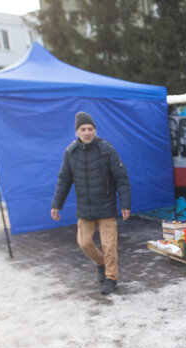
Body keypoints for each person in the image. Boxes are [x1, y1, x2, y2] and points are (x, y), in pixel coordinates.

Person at [51, 111, 131, 295]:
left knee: (109, 245)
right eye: (83, 129)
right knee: (84, 243)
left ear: (95, 130)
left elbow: (122, 178)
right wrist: (57, 205)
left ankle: (111, 278)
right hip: (85, 209)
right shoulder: (71, 153)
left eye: (90, 129)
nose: (87, 132)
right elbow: (64, 180)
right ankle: (100, 263)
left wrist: (125, 204)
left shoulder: (107, 150)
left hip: (106, 207)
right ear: (77, 131)